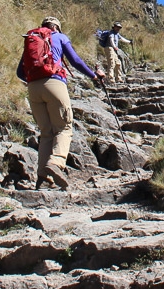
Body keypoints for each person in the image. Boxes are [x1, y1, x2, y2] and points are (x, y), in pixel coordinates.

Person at [17, 17, 104, 189]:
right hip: (55, 83)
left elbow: (20, 71)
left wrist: (35, 80)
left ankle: (42, 178)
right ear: (57, 27)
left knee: (46, 133)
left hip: (33, 88)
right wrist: (94, 76)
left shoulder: (32, 39)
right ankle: (56, 163)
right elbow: (76, 61)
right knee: (64, 127)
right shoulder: (60, 37)